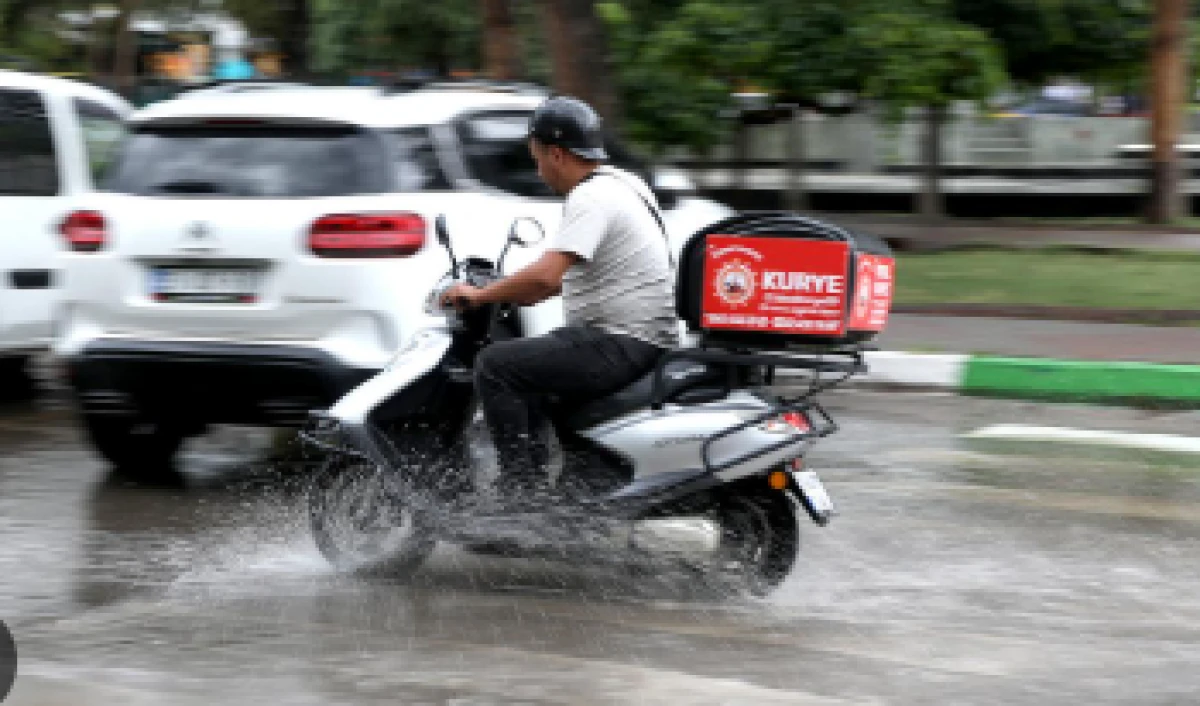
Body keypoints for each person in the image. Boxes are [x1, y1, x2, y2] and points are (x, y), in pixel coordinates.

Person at [440, 96, 676, 509]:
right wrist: (509, 288)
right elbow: (551, 281)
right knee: (536, 360)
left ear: (556, 153)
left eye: (537, 159)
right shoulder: (624, 183)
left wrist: (479, 295)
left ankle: (518, 494)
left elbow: (546, 275)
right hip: (639, 338)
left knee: (496, 366)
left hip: (619, 341)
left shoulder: (591, 198)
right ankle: (566, 492)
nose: (538, 170)